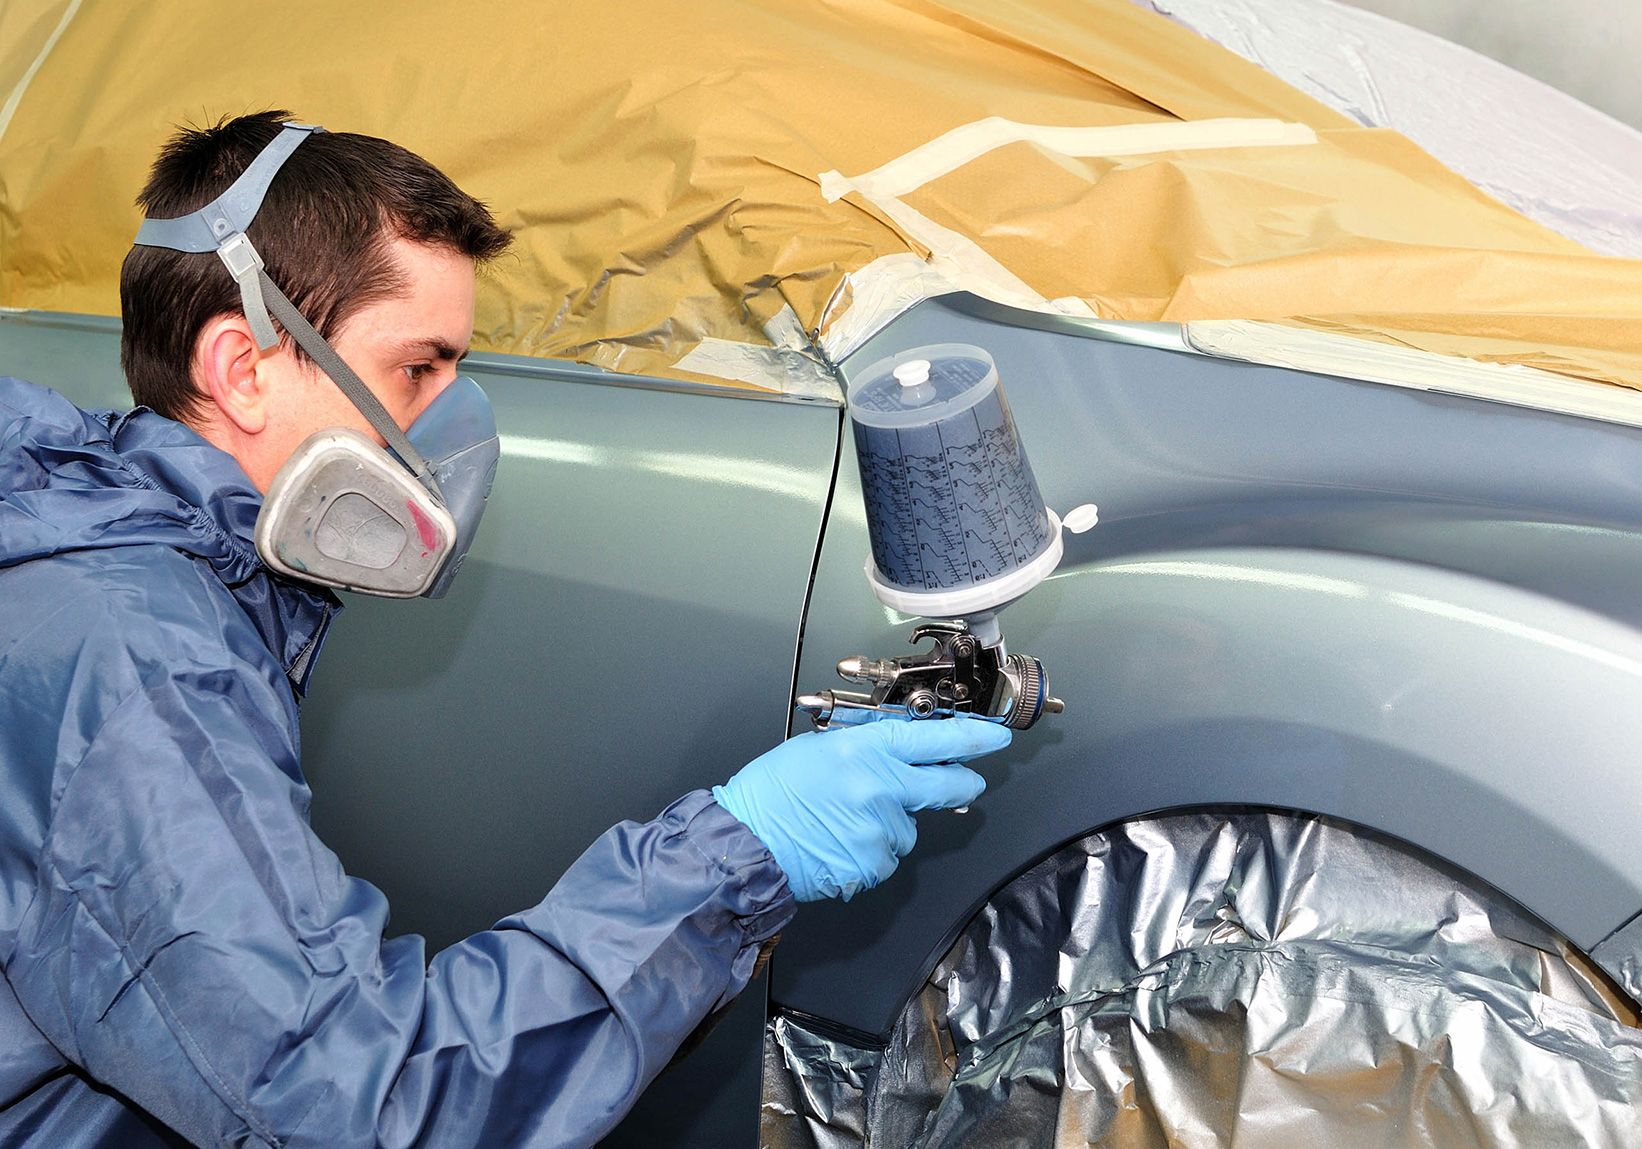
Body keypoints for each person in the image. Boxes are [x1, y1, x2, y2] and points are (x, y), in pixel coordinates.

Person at [0, 111, 1009, 1147]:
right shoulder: (135, 665)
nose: (449, 430)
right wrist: (738, 858)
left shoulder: (83, 537)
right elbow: (366, 1108)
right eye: (417, 371)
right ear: (243, 368)